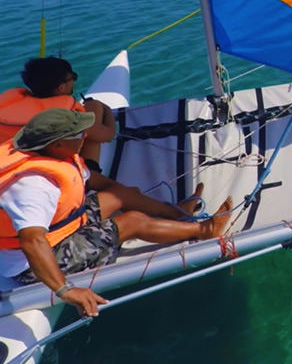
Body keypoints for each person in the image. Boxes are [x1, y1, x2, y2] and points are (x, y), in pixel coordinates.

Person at [0, 109, 232, 317]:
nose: (85, 137)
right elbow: (32, 241)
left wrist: (115, 190)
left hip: (61, 228)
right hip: (32, 265)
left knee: (121, 195)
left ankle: (176, 213)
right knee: (132, 221)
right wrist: (66, 290)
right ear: (57, 145)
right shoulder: (32, 186)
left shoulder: (51, 153)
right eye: (79, 135)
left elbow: (90, 180)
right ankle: (204, 230)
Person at [0, 57, 116, 172]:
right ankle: (91, 173)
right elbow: (108, 135)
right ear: (61, 87)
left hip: (11, 163)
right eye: (73, 77)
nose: (74, 80)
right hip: (51, 169)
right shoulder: (65, 118)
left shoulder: (7, 106)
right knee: (93, 109)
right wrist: (106, 109)